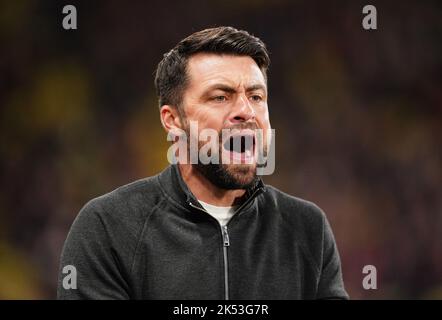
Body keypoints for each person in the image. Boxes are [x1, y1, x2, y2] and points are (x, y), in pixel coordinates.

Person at [57, 26, 348, 299]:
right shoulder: (109, 227)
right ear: (172, 120)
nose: (246, 111)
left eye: (256, 96)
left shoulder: (307, 228)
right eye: (221, 97)